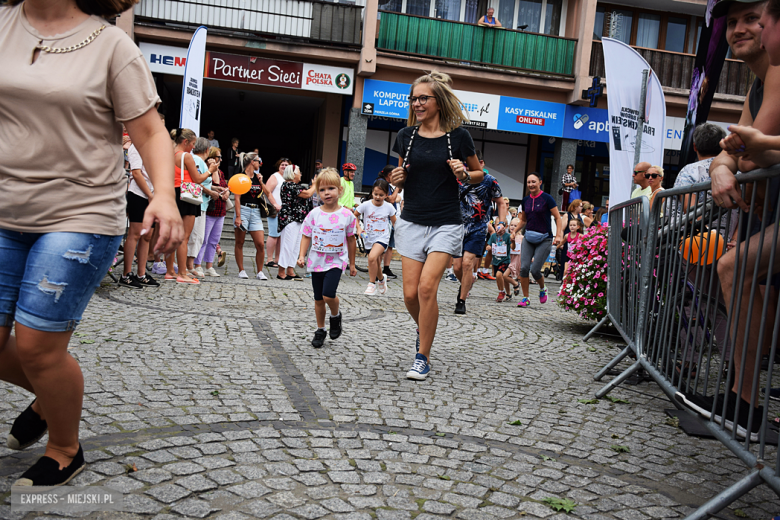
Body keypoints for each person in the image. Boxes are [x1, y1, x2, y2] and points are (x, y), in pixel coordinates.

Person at [0, 0, 183, 486]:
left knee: (38, 347)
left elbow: (149, 131)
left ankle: (65, 447)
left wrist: (164, 195)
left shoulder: (111, 46)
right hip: (3, 209)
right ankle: (49, 393)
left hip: (79, 214)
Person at [680, 0, 780, 439]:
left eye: (751, 18)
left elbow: (749, 150)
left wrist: (734, 160)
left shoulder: (776, 72)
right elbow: (734, 149)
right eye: (732, 21)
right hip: (766, 209)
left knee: (733, 267)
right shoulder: (759, 81)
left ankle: (746, 402)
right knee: (748, 279)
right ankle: (744, 399)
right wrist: (722, 166)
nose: (738, 28)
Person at [390, 71, 484, 380]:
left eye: (423, 98)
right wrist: (397, 179)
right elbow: (400, 173)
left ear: (438, 101)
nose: (417, 103)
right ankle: (425, 327)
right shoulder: (406, 136)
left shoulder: (458, 136)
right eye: (413, 98)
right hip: (412, 220)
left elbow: (478, 175)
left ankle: (423, 356)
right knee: (409, 295)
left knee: (427, 288)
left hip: (446, 222)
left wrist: (463, 174)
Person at [298, 168, 357, 348]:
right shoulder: (314, 214)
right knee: (318, 298)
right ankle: (320, 329)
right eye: (322, 190)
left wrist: (352, 264)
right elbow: (306, 235)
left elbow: (351, 239)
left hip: (337, 261)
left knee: (328, 294)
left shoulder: (347, 215)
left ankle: (335, 315)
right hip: (317, 261)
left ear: (340, 190)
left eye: (331, 188)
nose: (327, 193)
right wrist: (301, 255)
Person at [453, 150, 506, 314]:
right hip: (456, 227)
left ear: (481, 163)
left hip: (478, 227)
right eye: (466, 164)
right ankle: (467, 283)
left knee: (468, 263)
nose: (469, 167)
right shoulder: (457, 179)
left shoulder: (490, 181)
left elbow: (501, 203)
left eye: (474, 163)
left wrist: (502, 222)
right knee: (457, 267)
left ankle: (461, 301)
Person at [120, 121, 165, 289]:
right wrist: (149, 195)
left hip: (152, 194)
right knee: (135, 234)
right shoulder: (137, 147)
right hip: (139, 194)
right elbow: (137, 173)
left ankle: (141, 273)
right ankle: (126, 274)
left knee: (147, 235)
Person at [165, 129, 211, 284]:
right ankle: (182, 273)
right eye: (192, 144)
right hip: (186, 195)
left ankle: (170, 271)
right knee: (183, 237)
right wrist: (210, 170)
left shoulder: (170, 154)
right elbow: (198, 179)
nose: (193, 147)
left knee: (173, 235)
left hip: (173, 193)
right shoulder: (186, 156)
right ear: (185, 142)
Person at [516, 173, 563, 308]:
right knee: (524, 268)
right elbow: (523, 220)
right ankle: (526, 298)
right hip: (529, 237)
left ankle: (543, 288)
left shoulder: (547, 198)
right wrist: (514, 231)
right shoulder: (525, 200)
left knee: (535, 270)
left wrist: (558, 235)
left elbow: (558, 218)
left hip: (544, 238)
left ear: (540, 182)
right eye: (529, 182)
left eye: (533, 182)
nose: (531, 184)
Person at [187, 138, 223, 278]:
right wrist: (210, 192)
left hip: (202, 203)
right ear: (207, 150)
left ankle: (190, 265)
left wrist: (214, 187)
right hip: (197, 202)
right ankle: (189, 266)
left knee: (198, 236)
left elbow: (202, 181)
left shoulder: (199, 161)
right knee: (195, 236)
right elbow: (195, 181)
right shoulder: (197, 160)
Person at [355, 178, 397, 295]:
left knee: (372, 258)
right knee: (375, 262)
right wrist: (358, 228)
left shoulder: (389, 207)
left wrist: (401, 235)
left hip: (382, 237)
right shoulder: (366, 205)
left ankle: (371, 284)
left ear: (386, 194)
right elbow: (355, 216)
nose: (378, 197)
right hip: (368, 237)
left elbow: (395, 223)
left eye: (381, 195)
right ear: (372, 192)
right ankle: (381, 280)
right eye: (375, 194)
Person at [674, 123, 728, 210]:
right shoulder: (735, 172)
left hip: (699, 223)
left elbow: (691, 213)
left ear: (694, 147)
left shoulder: (689, 171)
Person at [234, 153, 269, 280]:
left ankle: (260, 271)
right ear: (251, 162)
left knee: (260, 243)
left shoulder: (257, 177)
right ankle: (241, 270)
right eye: (258, 161)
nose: (260, 163)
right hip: (243, 209)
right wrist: (238, 216)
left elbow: (267, 193)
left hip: (256, 212)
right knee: (240, 242)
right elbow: (237, 198)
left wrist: (261, 182)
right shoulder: (241, 177)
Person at [195, 147, 230, 277]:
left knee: (214, 240)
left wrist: (227, 192)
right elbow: (214, 182)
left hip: (220, 210)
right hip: (210, 210)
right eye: (218, 157)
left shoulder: (220, 172)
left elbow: (223, 185)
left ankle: (209, 265)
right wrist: (212, 167)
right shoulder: (208, 170)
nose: (220, 160)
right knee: (203, 239)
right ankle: (197, 264)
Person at [277, 164, 315, 280]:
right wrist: (315, 185)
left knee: (295, 246)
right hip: (290, 219)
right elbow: (308, 194)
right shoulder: (289, 185)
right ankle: (281, 272)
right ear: (293, 174)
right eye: (299, 172)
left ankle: (290, 269)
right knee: (288, 245)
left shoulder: (295, 186)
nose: (301, 174)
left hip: (298, 219)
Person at [264, 158, 290, 269]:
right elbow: (267, 191)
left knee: (280, 237)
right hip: (275, 210)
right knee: (273, 234)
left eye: (286, 165)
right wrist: (274, 204)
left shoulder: (288, 178)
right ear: (278, 166)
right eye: (282, 164)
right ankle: (269, 259)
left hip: (284, 211)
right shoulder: (275, 177)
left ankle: (277, 259)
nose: (284, 166)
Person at [377, 165, 401, 280]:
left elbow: (395, 199)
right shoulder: (381, 183)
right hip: (383, 218)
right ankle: (377, 270)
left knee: (390, 245)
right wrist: (397, 188)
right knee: (382, 245)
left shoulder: (388, 185)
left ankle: (386, 268)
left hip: (391, 217)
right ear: (389, 175)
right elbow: (391, 199)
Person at [486, 224, 515, 302]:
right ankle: (508, 293)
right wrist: (488, 247)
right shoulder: (493, 236)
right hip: (496, 260)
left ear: (505, 228)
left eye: (502, 230)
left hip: (505, 260)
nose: (500, 232)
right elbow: (488, 245)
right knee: (500, 278)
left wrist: (513, 242)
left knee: (499, 275)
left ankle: (501, 292)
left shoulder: (508, 236)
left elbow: (513, 247)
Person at [504, 217, 523, 296]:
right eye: (511, 225)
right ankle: (508, 293)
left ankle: (515, 284)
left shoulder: (521, 238)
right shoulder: (507, 236)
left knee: (505, 275)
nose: (513, 227)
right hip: (508, 258)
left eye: (515, 226)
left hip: (516, 259)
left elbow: (526, 249)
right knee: (505, 277)